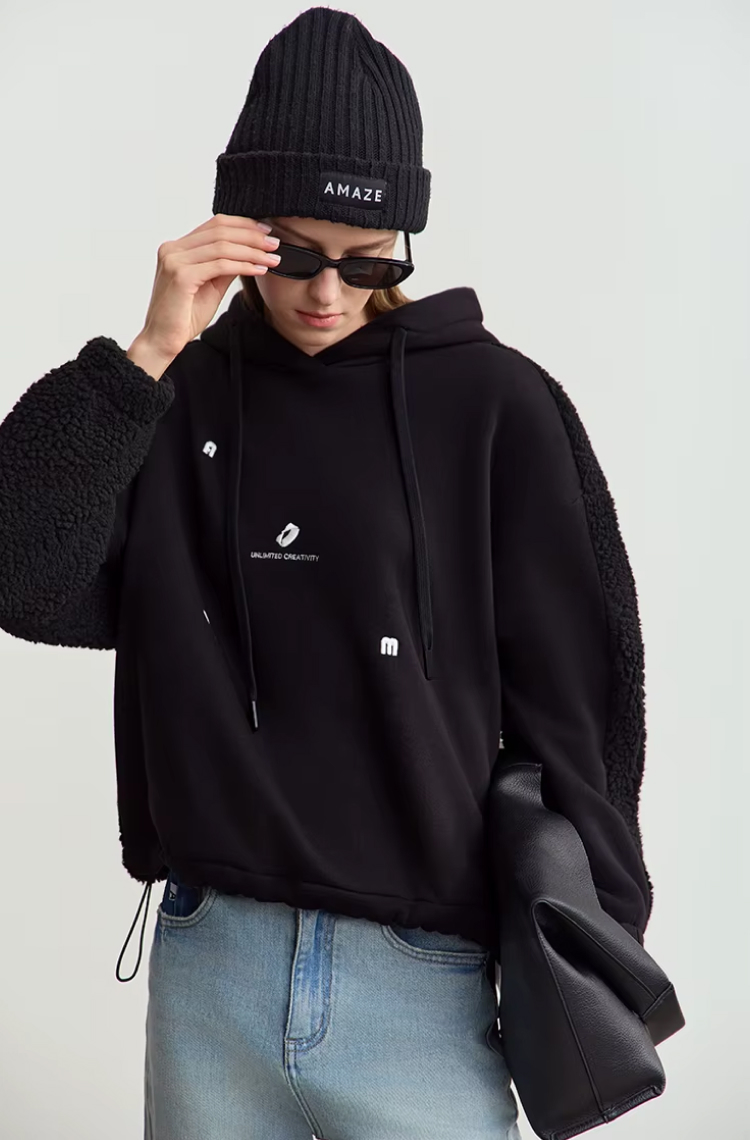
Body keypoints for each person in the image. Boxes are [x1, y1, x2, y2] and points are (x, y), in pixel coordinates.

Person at [0, 7, 653, 1139]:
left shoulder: (496, 405)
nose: (327, 293)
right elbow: (23, 578)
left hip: (427, 978)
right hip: (212, 962)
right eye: (294, 255)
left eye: (368, 261)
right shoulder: (174, 400)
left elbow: (581, 699)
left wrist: (595, 948)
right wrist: (144, 357)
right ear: (241, 233)